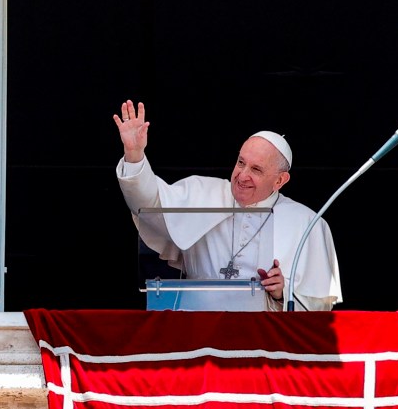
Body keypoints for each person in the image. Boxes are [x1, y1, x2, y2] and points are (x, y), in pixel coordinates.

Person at [113, 100, 342, 311]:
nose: (242, 176)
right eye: (241, 163)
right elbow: (149, 205)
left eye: (256, 169)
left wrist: (284, 291)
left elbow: (320, 306)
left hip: (262, 341)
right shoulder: (201, 192)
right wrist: (134, 155)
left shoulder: (306, 223)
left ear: (280, 180)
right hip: (198, 332)